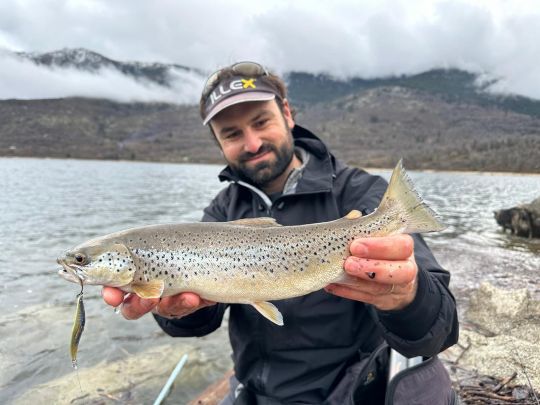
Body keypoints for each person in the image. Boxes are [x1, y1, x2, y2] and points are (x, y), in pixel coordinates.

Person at [102, 62, 459, 404]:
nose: (253, 143)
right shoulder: (222, 211)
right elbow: (199, 318)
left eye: (261, 122)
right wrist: (171, 310)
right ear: (218, 143)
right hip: (253, 392)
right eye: (232, 133)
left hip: (349, 390)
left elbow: (440, 327)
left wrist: (406, 296)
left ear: (287, 113)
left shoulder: (361, 193)